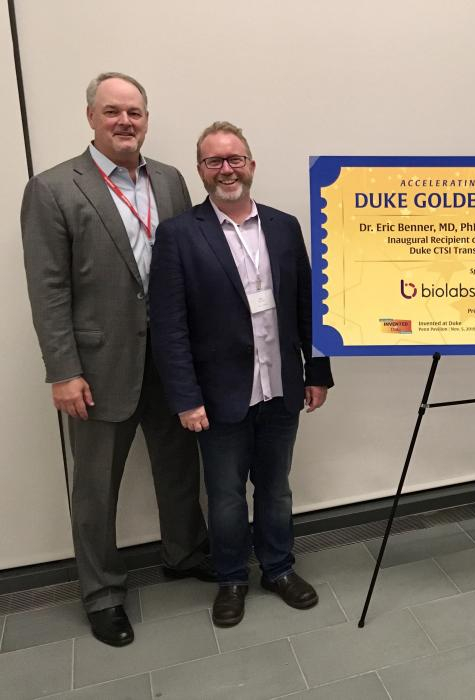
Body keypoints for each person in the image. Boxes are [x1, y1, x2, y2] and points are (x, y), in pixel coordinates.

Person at [20, 72, 211, 647]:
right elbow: (48, 287)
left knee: (179, 466)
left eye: (135, 112)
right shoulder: (53, 189)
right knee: (96, 485)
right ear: (91, 118)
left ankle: (184, 553)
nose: (125, 122)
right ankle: (102, 593)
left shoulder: (172, 181)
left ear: (147, 119)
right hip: (99, 368)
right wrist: (63, 369)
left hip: (172, 360)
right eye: (112, 112)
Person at [149, 121, 333, 628]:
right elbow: (170, 326)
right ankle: (231, 577)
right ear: (201, 171)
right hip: (218, 395)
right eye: (214, 161)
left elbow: (307, 305)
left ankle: (278, 568)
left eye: (235, 159)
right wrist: (186, 399)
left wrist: (317, 371)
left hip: (280, 387)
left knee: (275, 488)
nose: (226, 169)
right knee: (227, 495)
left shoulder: (284, 225)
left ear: (251, 164)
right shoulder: (180, 235)